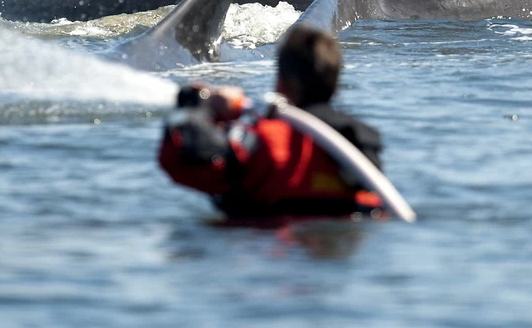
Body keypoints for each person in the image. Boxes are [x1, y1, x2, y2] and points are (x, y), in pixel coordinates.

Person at [158, 25, 385, 219]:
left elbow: (180, 159)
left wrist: (197, 107)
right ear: (335, 85)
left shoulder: (264, 140)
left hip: (271, 256)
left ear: (281, 84)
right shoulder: (362, 146)